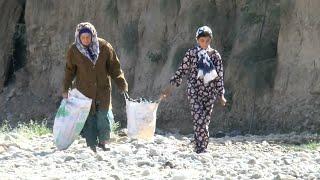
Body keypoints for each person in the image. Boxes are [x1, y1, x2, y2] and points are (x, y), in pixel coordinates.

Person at [62, 22, 128, 152]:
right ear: (79, 37)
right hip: (84, 91)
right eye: (83, 38)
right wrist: (65, 88)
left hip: (103, 89)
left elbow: (115, 67)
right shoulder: (74, 50)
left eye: (88, 37)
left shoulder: (104, 47)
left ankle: (103, 142)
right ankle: (91, 145)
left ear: (93, 35)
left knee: (103, 116)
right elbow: (69, 71)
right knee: (89, 118)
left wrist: (121, 83)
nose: (86, 40)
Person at [160, 26, 227, 154]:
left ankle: (199, 146)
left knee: (205, 121)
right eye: (202, 40)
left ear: (210, 40)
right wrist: (170, 88)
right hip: (194, 92)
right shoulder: (191, 53)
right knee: (199, 120)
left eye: (207, 40)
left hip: (210, 94)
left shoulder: (215, 55)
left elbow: (219, 76)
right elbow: (182, 71)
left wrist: (221, 94)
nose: (205, 43)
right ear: (197, 40)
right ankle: (201, 149)